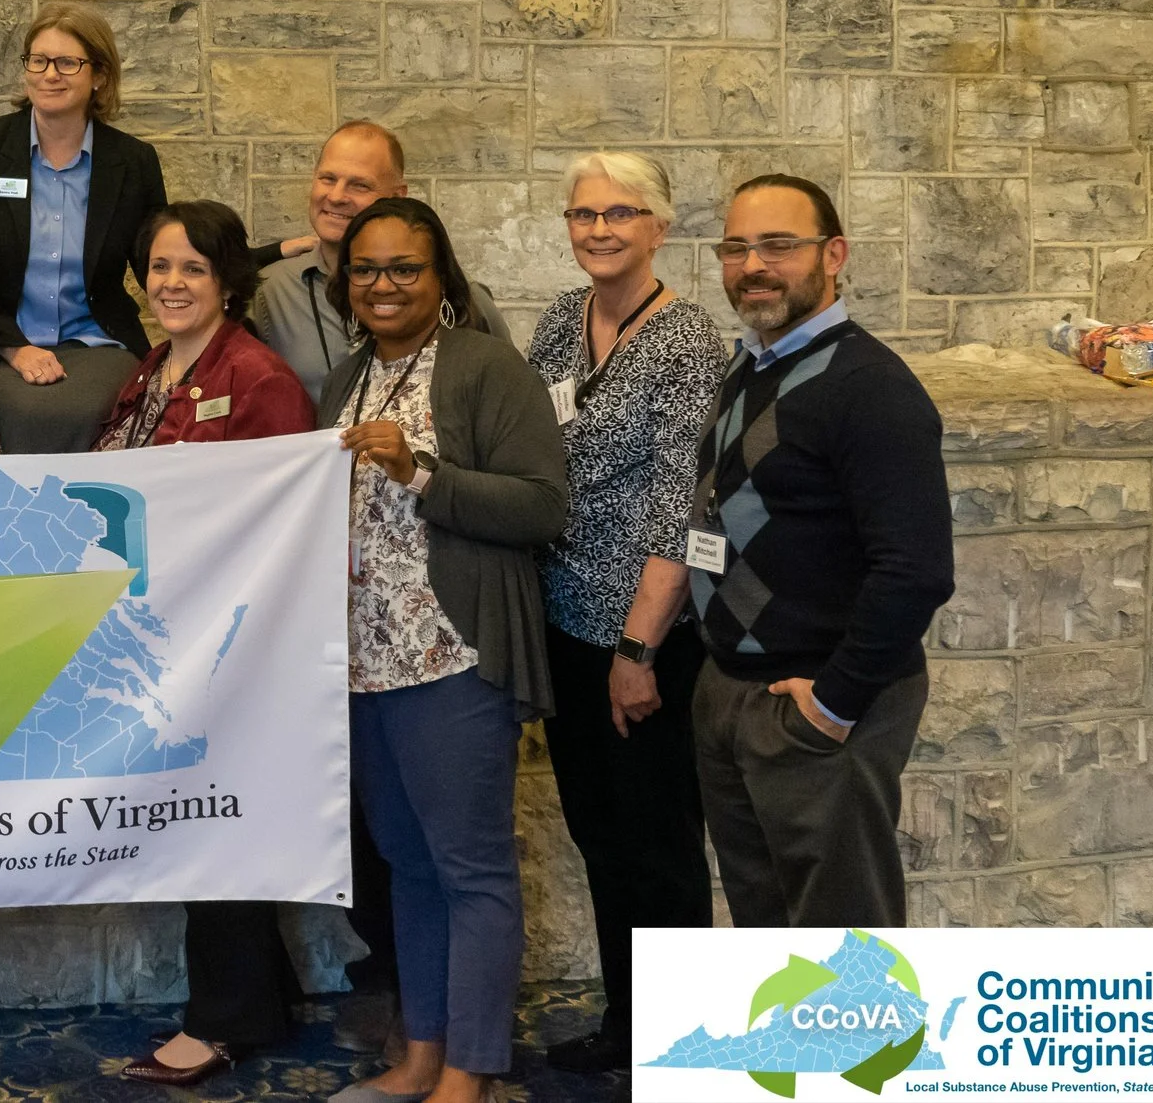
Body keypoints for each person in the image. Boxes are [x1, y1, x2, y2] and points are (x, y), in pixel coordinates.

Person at [319, 197, 567, 1103]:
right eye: (365, 269)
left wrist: (420, 471)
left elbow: (543, 504)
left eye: (404, 268)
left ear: (441, 276)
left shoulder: (485, 367)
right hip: (364, 664)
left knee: (472, 868)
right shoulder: (344, 377)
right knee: (409, 865)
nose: (382, 285)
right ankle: (420, 1055)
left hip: (453, 655)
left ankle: (470, 1070)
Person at [692, 175, 954, 927]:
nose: (753, 265)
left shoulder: (872, 387)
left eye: (778, 244)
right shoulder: (750, 365)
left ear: (833, 253)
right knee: (766, 929)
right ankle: (783, 1054)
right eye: (736, 247)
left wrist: (834, 705)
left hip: (816, 706)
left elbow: (917, 570)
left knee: (845, 943)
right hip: (733, 694)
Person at [95, 201, 315, 1087]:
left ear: (227, 277)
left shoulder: (257, 375)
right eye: (158, 268)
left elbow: (286, 517)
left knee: (216, 824)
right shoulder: (151, 369)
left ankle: (221, 1019)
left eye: (191, 268)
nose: (172, 283)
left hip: (231, 644)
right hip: (163, 645)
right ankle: (260, 999)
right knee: (204, 825)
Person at [523, 154, 724, 1079]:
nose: (598, 229)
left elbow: (679, 510)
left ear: (660, 225)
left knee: (660, 846)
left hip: (642, 636)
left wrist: (637, 648)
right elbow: (527, 442)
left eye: (620, 213)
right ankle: (628, 1020)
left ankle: (680, 1048)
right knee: (599, 834)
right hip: (564, 624)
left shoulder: (688, 342)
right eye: (582, 213)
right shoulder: (564, 320)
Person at [0, 4, 166, 453]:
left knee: (103, 407)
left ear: (99, 75)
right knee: (17, 410)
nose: (49, 74)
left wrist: (270, 254)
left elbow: (163, 259)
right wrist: (12, 348)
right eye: (37, 61)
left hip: (97, 341)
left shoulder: (133, 162)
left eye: (67, 63)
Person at [249, 122, 511, 407]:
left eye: (359, 185)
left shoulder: (458, 297)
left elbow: (507, 400)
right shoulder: (268, 292)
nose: (336, 197)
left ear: (397, 196)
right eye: (327, 178)